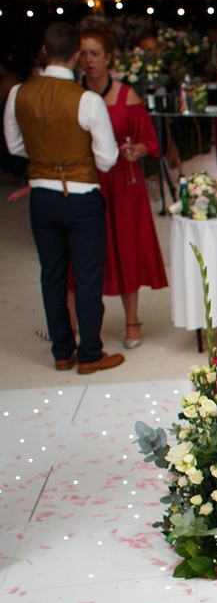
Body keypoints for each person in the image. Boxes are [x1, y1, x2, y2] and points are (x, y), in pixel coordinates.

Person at [4, 22, 123, 374]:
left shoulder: (18, 94)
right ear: (75, 55)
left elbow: (14, 147)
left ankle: (61, 351)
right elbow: (107, 158)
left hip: (42, 195)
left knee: (52, 275)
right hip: (82, 197)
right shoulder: (86, 100)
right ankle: (89, 354)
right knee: (87, 277)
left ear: (44, 49)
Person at [78, 24, 168, 350]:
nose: (89, 61)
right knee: (84, 251)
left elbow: (150, 141)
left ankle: (132, 320)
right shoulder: (76, 95)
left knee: (126, 246)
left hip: (122, 182)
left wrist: (139, 150)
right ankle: (78, 322)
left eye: (95, 54)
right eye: (84, 54)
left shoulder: (126, 94)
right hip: (87, 179)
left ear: (108, 57)